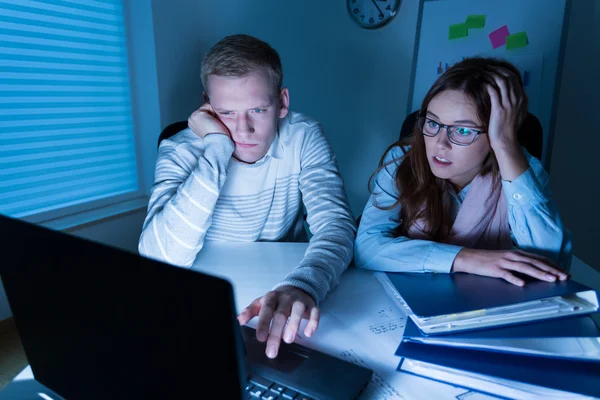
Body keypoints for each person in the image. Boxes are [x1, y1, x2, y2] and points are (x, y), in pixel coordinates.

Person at [138, 34, 356, 358]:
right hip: (202, 301)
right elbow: (159, 258)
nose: (243, 130)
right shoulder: (180, 149)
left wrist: (304, 284)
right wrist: (216, 148)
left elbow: (336, 226)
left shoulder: (304, 136)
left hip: (282, 288)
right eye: (226, 113)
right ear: (207, 107)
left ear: (282, 102)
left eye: (257, 109)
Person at [354, 57, 572, 286]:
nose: (440, 143)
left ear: (497, 133)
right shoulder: (402, 160)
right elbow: (367, 248)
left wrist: (506, 144)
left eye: (462, 130)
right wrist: (465, 258)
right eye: (432, 123)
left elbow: (550, 262)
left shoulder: (522, 170)